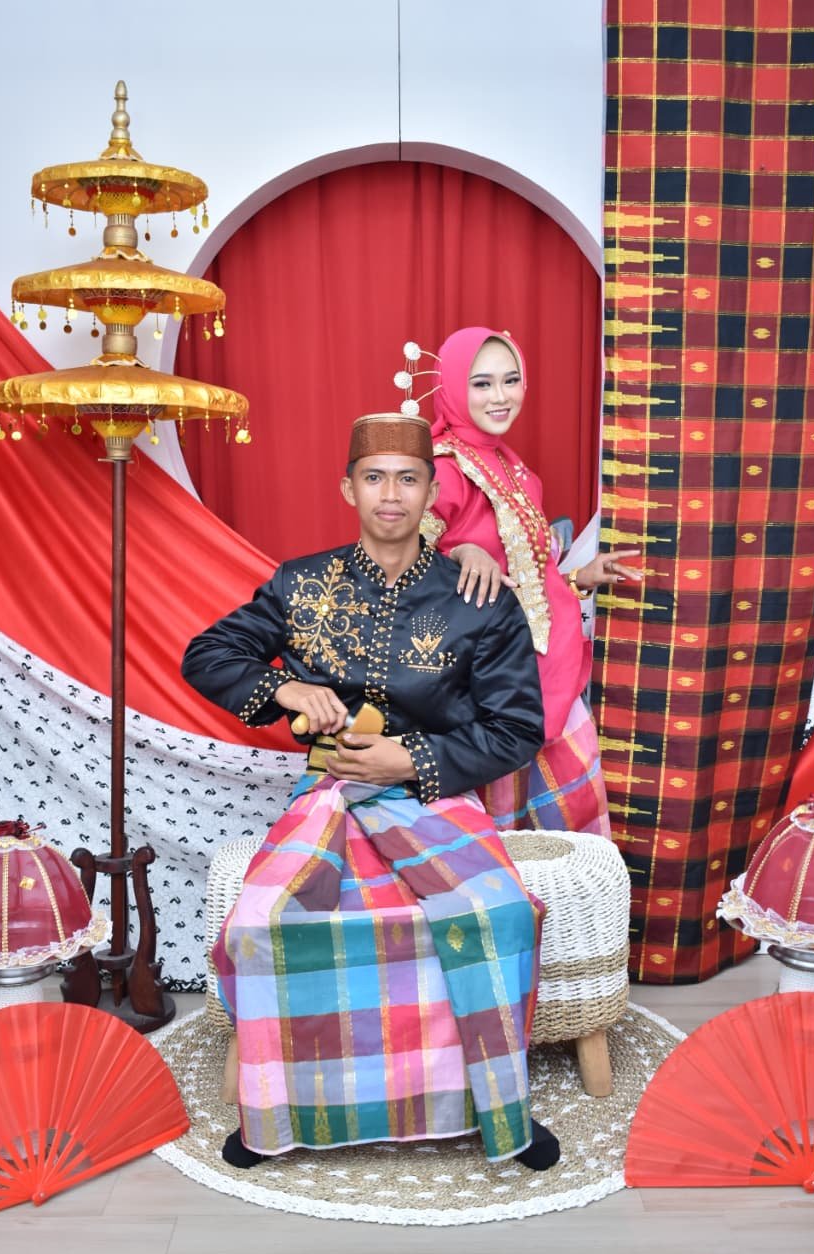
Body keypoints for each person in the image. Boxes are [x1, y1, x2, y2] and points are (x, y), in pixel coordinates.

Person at [182, 411, 561, 1171]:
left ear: (431, 493)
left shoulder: (478, 598)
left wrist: (408, 759)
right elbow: (208, 654)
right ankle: (279, 1111)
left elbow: (517, 728)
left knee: (498, 915)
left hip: (434, 799)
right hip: (326, 794)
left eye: (408, 479)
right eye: (375, 478)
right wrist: (286, 690)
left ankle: (498, 1105)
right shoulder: (301, 583)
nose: (391, 494)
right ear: (348, 489)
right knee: (260, 923)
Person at [421, 326, 643, 835]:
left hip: (548, 668)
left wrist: (579, 577)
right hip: (491, 682)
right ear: (451, 386)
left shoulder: (514, 468)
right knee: (499, 833)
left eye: (511, 380)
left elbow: (520, 578)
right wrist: (461, 553)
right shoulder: (441, 470)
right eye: (481, 383)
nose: (500, 396)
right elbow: (396, 564)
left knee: (566, 830)